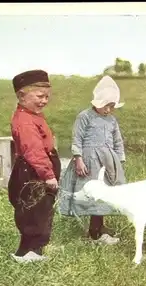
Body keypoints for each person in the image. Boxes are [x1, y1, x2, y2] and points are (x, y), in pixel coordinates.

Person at [58, 76, 126, 245]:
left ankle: (99, 227)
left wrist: (119, 160)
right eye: (106, 106)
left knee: (106, 194)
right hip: (90, 162)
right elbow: (77, 138)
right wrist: (78, 159)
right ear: (97, 102)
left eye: (112, 107)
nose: (109, 110)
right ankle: (95, 233)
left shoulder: (111, 120)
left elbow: (117, 141)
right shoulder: (84, 117)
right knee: (93, 194)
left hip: (107, 162)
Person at [7, 69, 61, 263]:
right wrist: (48, 175)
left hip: (35, 169)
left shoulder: (33, 115)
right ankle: (30, 253)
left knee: (39, 208)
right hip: (33, 172)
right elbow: (34, 151)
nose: (44, 101)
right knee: (35, 209)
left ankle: (29, 251)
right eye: (39, 96)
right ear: (21, 96)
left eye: (47, 97)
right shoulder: (24, 121)